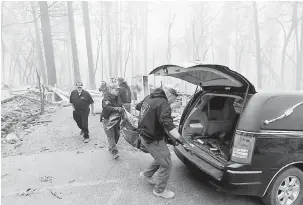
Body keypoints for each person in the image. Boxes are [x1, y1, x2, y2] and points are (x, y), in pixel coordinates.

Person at [135, 86, 182, 199]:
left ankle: (147, 174)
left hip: (144, 135)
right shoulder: (163, 102)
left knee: (162, 158)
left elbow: (138, 107)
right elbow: (167, 122)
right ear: (170, 95)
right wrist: (179, 138)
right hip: (153, 138)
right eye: (174, 99)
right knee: (166, 163)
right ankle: (159, 190)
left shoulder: (149, 97)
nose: (172, 102)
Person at [101, 83, 123, 159]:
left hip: (116, 119)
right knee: (111, 136)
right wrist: (116, 108)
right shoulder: (106, 98)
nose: (118, 91)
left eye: (118, 90)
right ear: (110, 89)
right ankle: (114, 152)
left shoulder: (118, 97)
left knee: (117, 134)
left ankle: (111, 146)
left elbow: (120, 105)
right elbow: (106, 107)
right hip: (107, 119)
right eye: (116, 89)